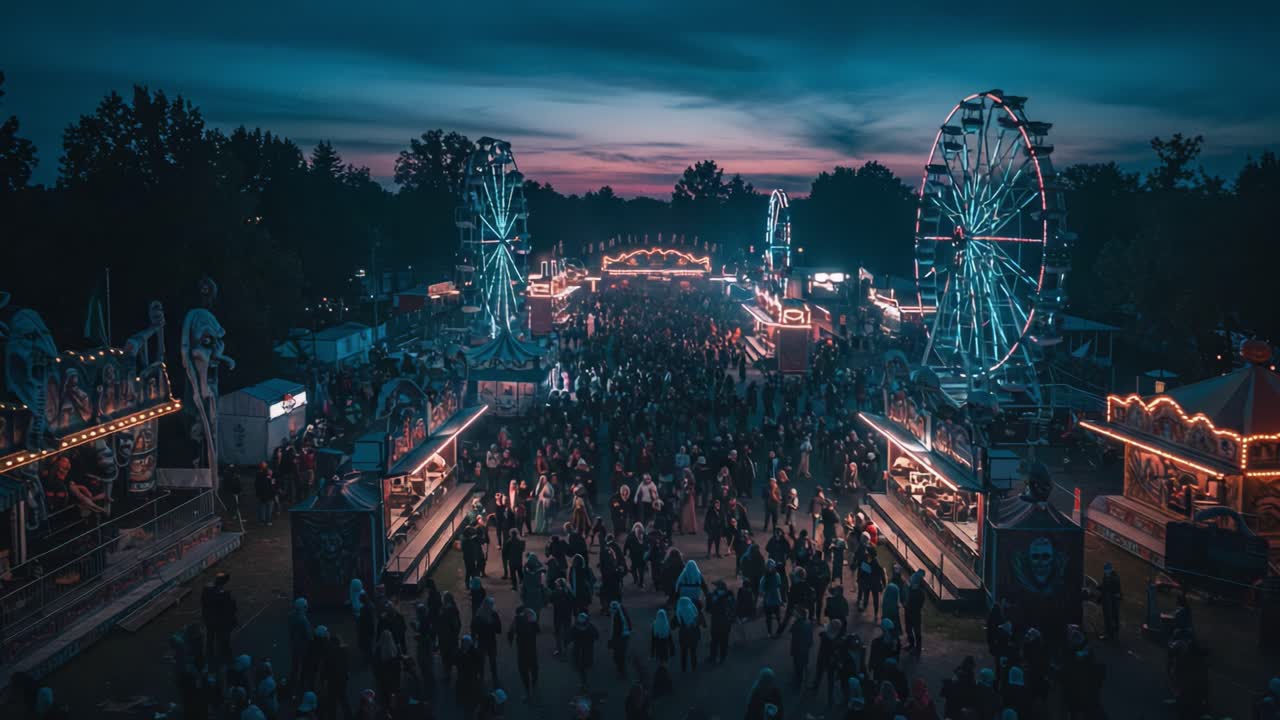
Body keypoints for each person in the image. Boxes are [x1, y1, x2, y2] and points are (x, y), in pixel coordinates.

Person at [201, 572, 237, 669]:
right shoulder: (225, 595)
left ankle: (210, 658)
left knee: (210, 639)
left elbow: (204, 604)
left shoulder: (207, 589)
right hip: (221, 622)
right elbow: (232, 608)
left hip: (210, 620)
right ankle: (225, 659)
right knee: (224, 640)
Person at [507, 607, 540, 701]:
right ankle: (534, 689)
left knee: (523, 671)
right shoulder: (533, 622)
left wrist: (510, 641)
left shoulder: (517, 620)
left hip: (522, 651)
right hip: (532, 650)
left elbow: (510, 631)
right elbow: (538, 631)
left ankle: (527, 692)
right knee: (534, 670)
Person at [472, 596, 502, 685]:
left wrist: (474, 639)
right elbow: (498, 630)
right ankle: (494, 678)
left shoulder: (478, 616)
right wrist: (492, 624)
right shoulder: (493, 615)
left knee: (481, 660)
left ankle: (481, 678)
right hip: (491, 641)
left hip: (482, 641)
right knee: (492, 661)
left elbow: (474, 629)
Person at [706, 580, 736, 663]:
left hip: (717, 621)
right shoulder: (729, 595)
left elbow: (708, 609)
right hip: (726, 621)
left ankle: (713, 657)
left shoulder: (713, 596)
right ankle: (722, 657)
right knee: (724, 640)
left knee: (715, 640)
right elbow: (733, 608)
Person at [287, 597, 312, 695]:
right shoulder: (303, 619)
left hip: (294, 643)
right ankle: (302, 684)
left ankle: (292, 681)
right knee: (304, 665)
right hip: (303, 646)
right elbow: (308, 635)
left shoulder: (291, 615)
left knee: (295, 664)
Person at [568, 612, 600, 688]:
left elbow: (569, 637)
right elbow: (596, 636)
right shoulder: (591, 627)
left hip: (579, 650)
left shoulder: (575, 628)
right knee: (585, 665)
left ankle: (584, 682)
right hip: (586, 649)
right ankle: (584, 681)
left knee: (580, 666)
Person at [674, 596, 704, 672]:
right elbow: (701, 622)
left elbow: (672, 626)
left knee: (683, 652)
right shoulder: (695, 611)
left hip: (683, 636)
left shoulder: (679, 612)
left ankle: (684, 668)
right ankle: (694, 667)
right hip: (694, 635)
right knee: (693, 652)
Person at [437, 592, 462, 683]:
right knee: (448, 656)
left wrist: (452, 633)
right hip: (447, 638)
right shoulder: (448, 609)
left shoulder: (450, 610)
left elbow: (456, 625)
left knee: (449, 656)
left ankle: (450, 674)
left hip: (448, 638)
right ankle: (449, 674)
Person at [789, 608, 815, 690]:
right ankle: (805, 678)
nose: (794, 614)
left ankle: (798, 683)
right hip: (805, 647)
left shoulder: (797, 624)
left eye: (796, 613)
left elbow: (791, 630)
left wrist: (793, 623)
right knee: (804, 662)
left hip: (798, 648)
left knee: (798, 665)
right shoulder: (808, 622)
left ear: (800, 615)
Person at [904, 569, 925, 655]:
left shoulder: (920, 593)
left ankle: (917, 648)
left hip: (915, 613)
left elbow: (918, 604)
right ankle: (912, 644)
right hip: (909, 612)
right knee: (909, 629)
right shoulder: (912, 590)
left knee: (916, 631)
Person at [609, 600, 633, 676]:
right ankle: (621, 670)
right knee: (621, 654)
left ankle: (621, 671)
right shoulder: (621, 610)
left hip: (620, 637)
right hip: (625, 635)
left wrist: (612, 640)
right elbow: (628, 622)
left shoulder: (617, 616)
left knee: (619, 655)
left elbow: (615, 630)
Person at [1100, 561, 1122, 640]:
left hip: (1110, 601)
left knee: (1109, 617)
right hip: (1112, 601)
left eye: (1106, 569)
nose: (1105, 571)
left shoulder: (1111, 578)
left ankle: (1109, 634)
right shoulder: (1113, 577)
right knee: (1114, 617)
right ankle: (1114, 633)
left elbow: (1107, 589)